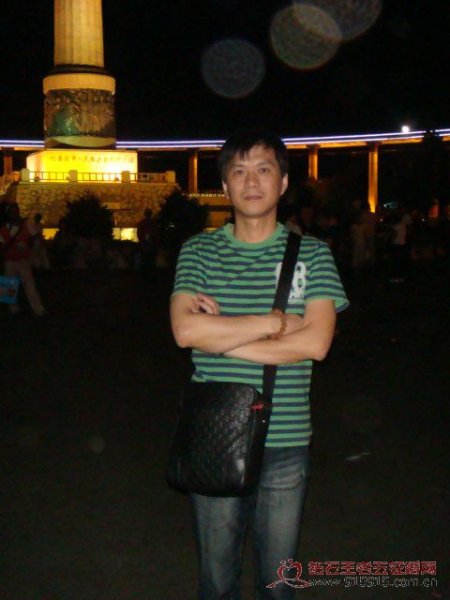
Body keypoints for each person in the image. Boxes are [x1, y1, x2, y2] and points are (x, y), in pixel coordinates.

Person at [170, 129, 348, 599]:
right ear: (224, 185)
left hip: (286, 438)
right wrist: (274, 323)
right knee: (216, 581)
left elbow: (317, 344)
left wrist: (220, 337)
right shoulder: (199, 250)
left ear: (283, 183)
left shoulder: (313, 254)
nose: (252, 181)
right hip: (215, 431)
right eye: (239, 171)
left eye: (264, 169)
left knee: (278, 583)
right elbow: (185, 331)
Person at [0, 203, 46, 316]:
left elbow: (36, 237)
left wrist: (31, 250)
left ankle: (38, 309)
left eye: (15, 211)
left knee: (29, 285)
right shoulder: (4, 228)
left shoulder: (26, 225)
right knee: (9, 285)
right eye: (12, 212)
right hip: (10, 260)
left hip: (23, 260)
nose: (14, 214)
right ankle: (13, 308)